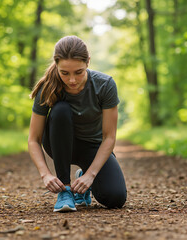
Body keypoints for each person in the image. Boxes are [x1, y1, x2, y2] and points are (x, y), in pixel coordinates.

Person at [28, 35, 127, 212]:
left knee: (115, 198)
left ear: (88, 62)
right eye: (64, 73)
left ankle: (82, 178)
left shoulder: (105, 85)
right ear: (56, 65)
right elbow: (34, 139)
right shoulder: (48, 87)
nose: (72, 80)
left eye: (78, 72)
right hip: (59, 144)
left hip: (94, 146)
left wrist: (91, 175)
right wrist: (45, 175)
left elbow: (109, 137)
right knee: (60, 110)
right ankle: (66, 190)